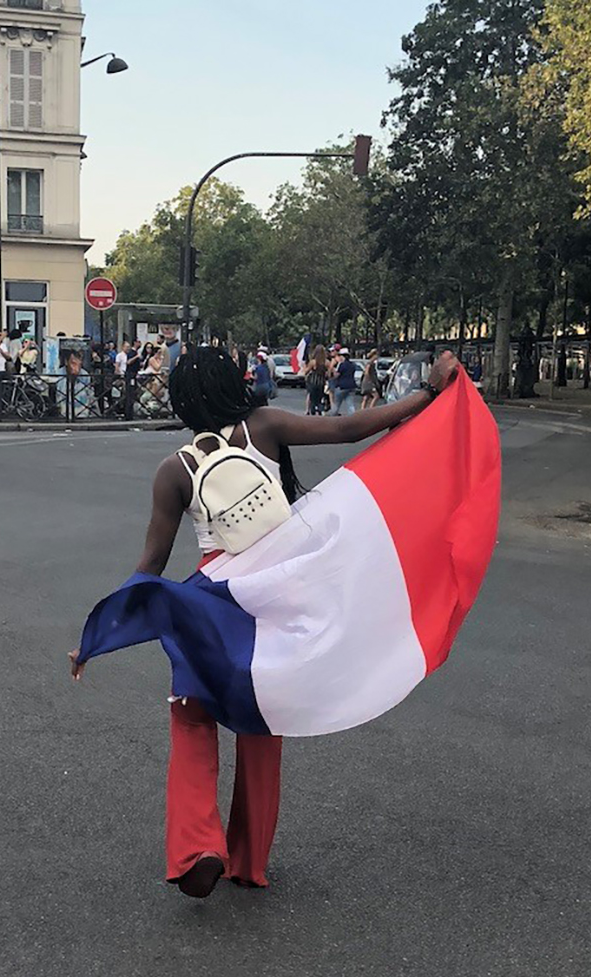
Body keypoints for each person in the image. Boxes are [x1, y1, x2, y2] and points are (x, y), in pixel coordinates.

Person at [68, 345, 460, 899]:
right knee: (262, 727)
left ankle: (196, 846)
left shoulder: (174, 471)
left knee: (192, 721)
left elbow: (149, 571)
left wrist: (94, 640)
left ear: (182, 400)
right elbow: (349, 428)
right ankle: (248, 859)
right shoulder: (265, 426)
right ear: (237, 383)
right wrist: (429, 395)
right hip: (275, 601)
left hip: (212, 604)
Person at [330, 347, 358, 415]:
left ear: (343, 356)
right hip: (351, 386)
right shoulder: (352, 364)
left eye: (340, 355)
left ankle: (332, 417)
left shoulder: (342, 365)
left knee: (337, 404)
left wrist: (333, 368)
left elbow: (336, 375)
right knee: (350, 404)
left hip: (341, 386)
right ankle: (352, 418)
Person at [303, 344, 329, 415]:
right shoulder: (326, 362)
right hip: (321, 382)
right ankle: (320, 409)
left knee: (311, 396)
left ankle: (310, 409)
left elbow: (306, 371)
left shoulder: (313, 362)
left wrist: (304, 367)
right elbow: (329, 373)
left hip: (313, 381)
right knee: (320, 397)